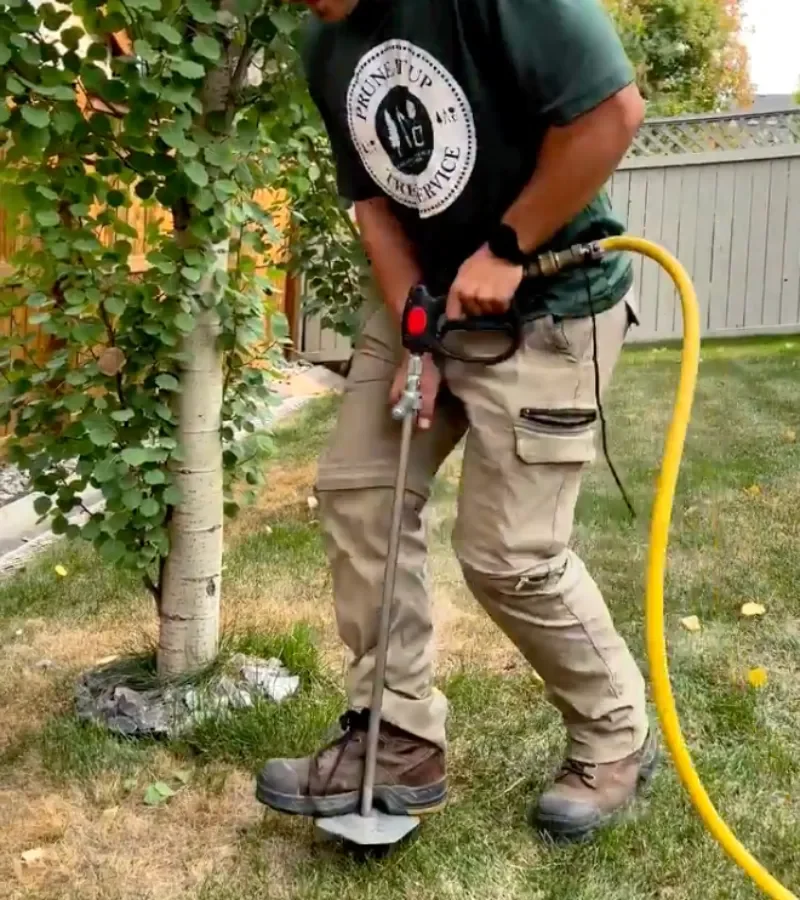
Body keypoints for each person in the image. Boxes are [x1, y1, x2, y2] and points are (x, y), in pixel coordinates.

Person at [256, 0, 656, 843]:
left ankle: (616, 735)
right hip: (427, 300)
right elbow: (371, 201)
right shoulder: (323, 42)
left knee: (510, 556)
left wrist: (508, 249)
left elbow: (611, 113)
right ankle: (398, 736)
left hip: (551, 303)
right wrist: (415, 331)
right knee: (360, 492)